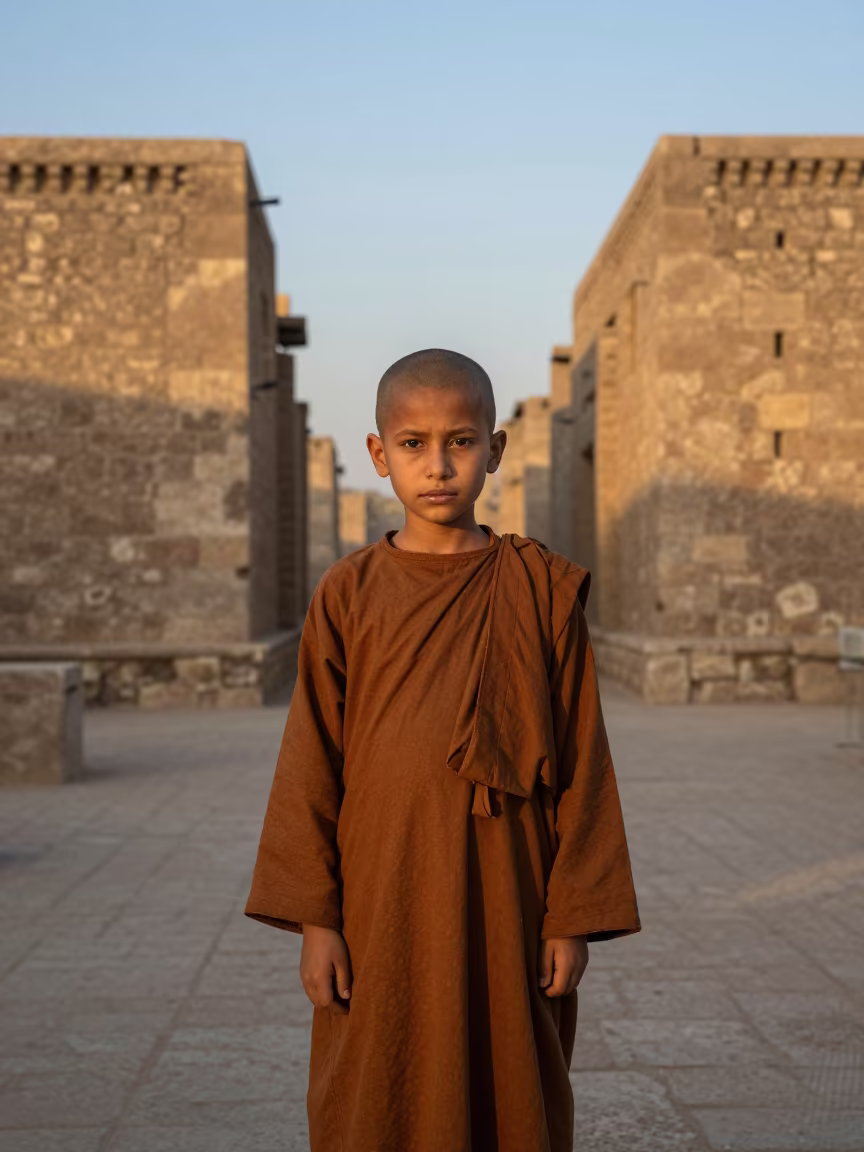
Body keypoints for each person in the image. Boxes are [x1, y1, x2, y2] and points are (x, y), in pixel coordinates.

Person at [245, 348, 641, 1152]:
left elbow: (583, 763)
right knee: (372, 1077)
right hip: (379, 885)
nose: (439, 466)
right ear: (379, 454)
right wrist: (316, 919)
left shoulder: (540, 590)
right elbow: (311, 759)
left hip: (510, 886)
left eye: (461, 442)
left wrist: (571, 917)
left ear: (494, 450)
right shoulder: (349, 592)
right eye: (416, 443)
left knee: (510, 1077)